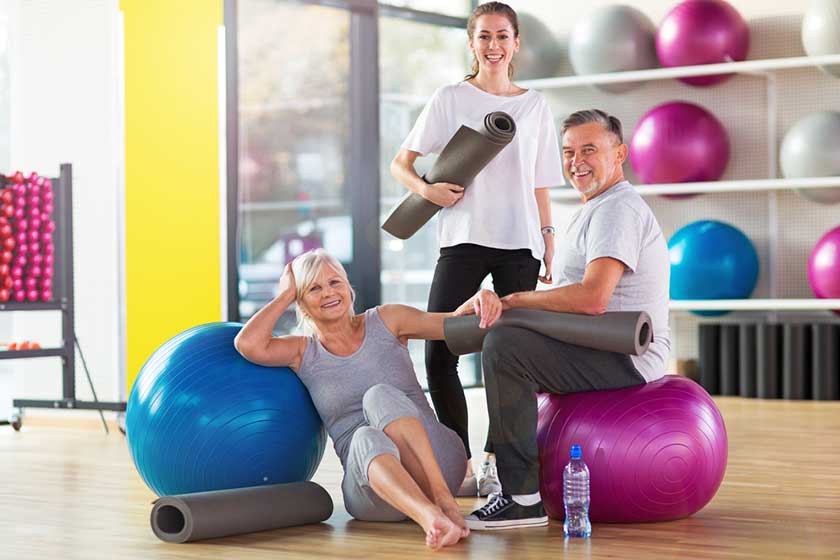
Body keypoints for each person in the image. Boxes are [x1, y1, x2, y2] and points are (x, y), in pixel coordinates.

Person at [464, 109, 672, 530]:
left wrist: (517, 300)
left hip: (627, 356)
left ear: (620, 155)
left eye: (590, 150)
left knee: (506, 348)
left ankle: (522, 498)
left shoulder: (617, 210)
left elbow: (594, 298)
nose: (577, 160)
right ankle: (496, 469)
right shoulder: (596, 208)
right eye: (569, 151)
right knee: (503, 335)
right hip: (595, 345)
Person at [390, 1, 565, 498]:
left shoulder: (534, 105)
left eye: (502, 36)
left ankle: (495, 461)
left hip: (520, 245)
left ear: (516, 43)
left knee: (512, 353)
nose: (493, 45)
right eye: (484, 36)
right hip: (462, 240)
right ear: (472, 43)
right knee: (439, 350)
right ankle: (459, 461)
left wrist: (549, 241)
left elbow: (539, 184)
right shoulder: (449, 98)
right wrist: (428, 192)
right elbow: (401, 164)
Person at [234, 249, 502, 550]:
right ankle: (431, 519)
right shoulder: (302, 352)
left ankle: (442, 500)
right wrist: (285, 295)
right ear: (302, 303)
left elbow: (452, 323)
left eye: (335, 282)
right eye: (314, 288)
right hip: (375, 491)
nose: (328, 293)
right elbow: (247, 344)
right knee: (363, 437)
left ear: (348, 287)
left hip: (437, 464)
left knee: (378, 395)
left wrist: (483, 298)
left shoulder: (387, 320)